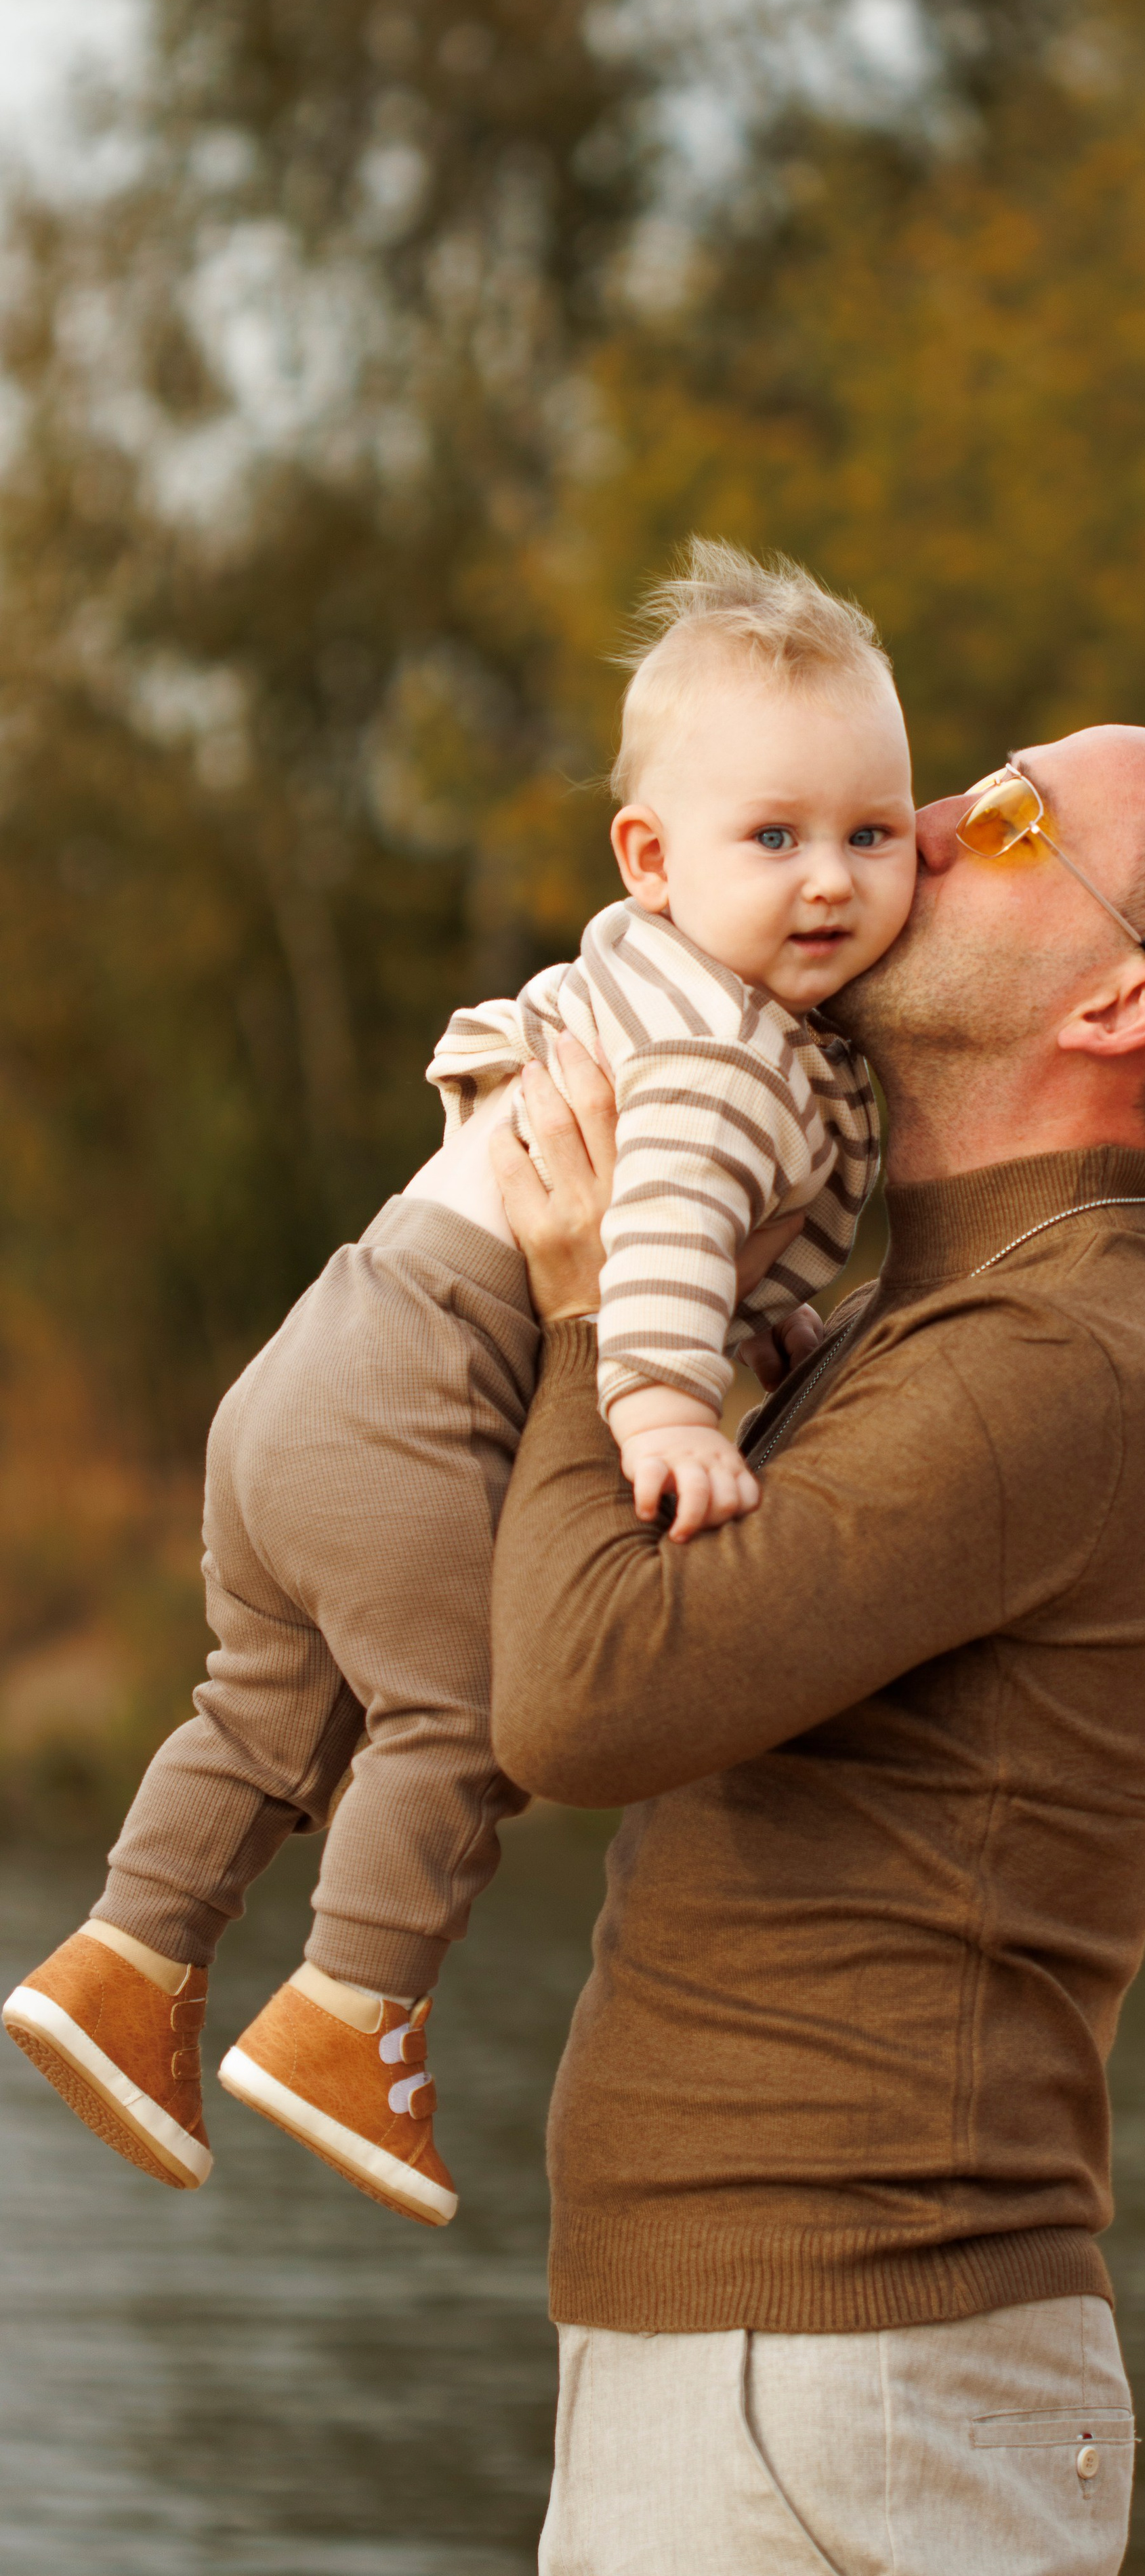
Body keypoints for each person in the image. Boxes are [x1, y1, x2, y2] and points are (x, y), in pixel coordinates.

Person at [486, 717, 1145, 2575]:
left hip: (835, 2379)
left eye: (1016, 816)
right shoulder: (940, 1310)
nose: (930, 826)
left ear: (1127, 1003)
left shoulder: (1053, 1357)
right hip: (792, 2375)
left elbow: (583, 1695)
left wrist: (590, 1316)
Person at [2, 543, 915, 2228]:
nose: (831, 882)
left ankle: (124, 1964)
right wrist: (654, 1409)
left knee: (265, 1713)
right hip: (416, 1394)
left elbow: (724, 1259)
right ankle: (353, 2014)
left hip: (305, 1378)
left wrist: (779, 1344)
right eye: (774, 838)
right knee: (464, 1713)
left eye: (874, 836)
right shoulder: (727, 1053)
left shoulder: (636, 978)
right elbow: (655, 1237)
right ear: (651, 856)